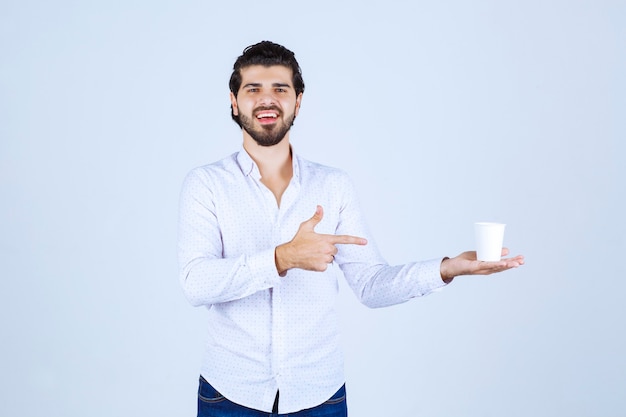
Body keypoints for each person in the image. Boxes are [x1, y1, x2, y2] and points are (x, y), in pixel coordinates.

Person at [178, 40, 524, 417]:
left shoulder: (333, 186)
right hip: (230, 393)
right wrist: (283, 257)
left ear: (298, 101)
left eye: (280, 89)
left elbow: (371, 284)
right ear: (233, 100)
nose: (268, 100)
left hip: (319, 394)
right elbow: (196, 283)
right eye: (253, 89)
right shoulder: (206, 183)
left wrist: (446, 269)